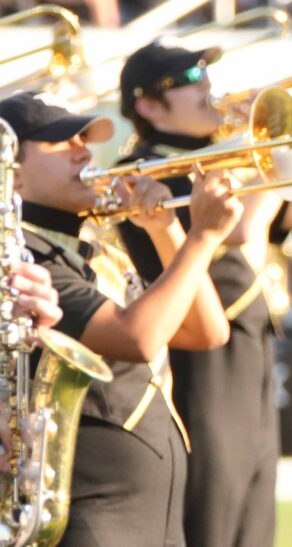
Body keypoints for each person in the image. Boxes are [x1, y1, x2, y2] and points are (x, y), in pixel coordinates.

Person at [115, 41, 292, 547]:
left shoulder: (222, 160)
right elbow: (238, 232)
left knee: (255, 522)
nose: (207, 88)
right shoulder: (147, 168)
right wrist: (280, 144)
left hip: (251, 346)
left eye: (205, 75)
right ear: (149, 106)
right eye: (189, 80)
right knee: (212, 518)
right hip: (198, 356)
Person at [0, 89, 241, 546]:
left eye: (83, 140)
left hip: (149, 512)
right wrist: (203, 238)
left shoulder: (87, 251)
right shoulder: (25, 258)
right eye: (60, 142)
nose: (84, 152)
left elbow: (206, 331)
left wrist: (167, 228)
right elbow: (138, 338)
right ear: (12, 176)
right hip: (95, 512)